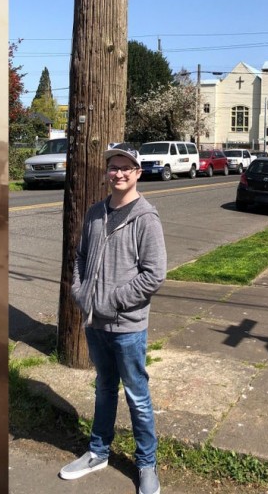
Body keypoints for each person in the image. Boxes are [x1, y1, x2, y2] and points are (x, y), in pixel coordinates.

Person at [59, 143, 166, 494]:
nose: (118, 173)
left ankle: (147, 465)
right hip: (96, 323)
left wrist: (111, 300)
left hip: (127, 327)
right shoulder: (95, 213)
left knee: (137, 394)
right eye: (113, 167)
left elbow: (154, 275)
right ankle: (98, 451)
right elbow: (80, 258)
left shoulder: (146, 218)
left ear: (137, 172)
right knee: (105, 387)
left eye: (126, 167)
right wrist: (81, 292)